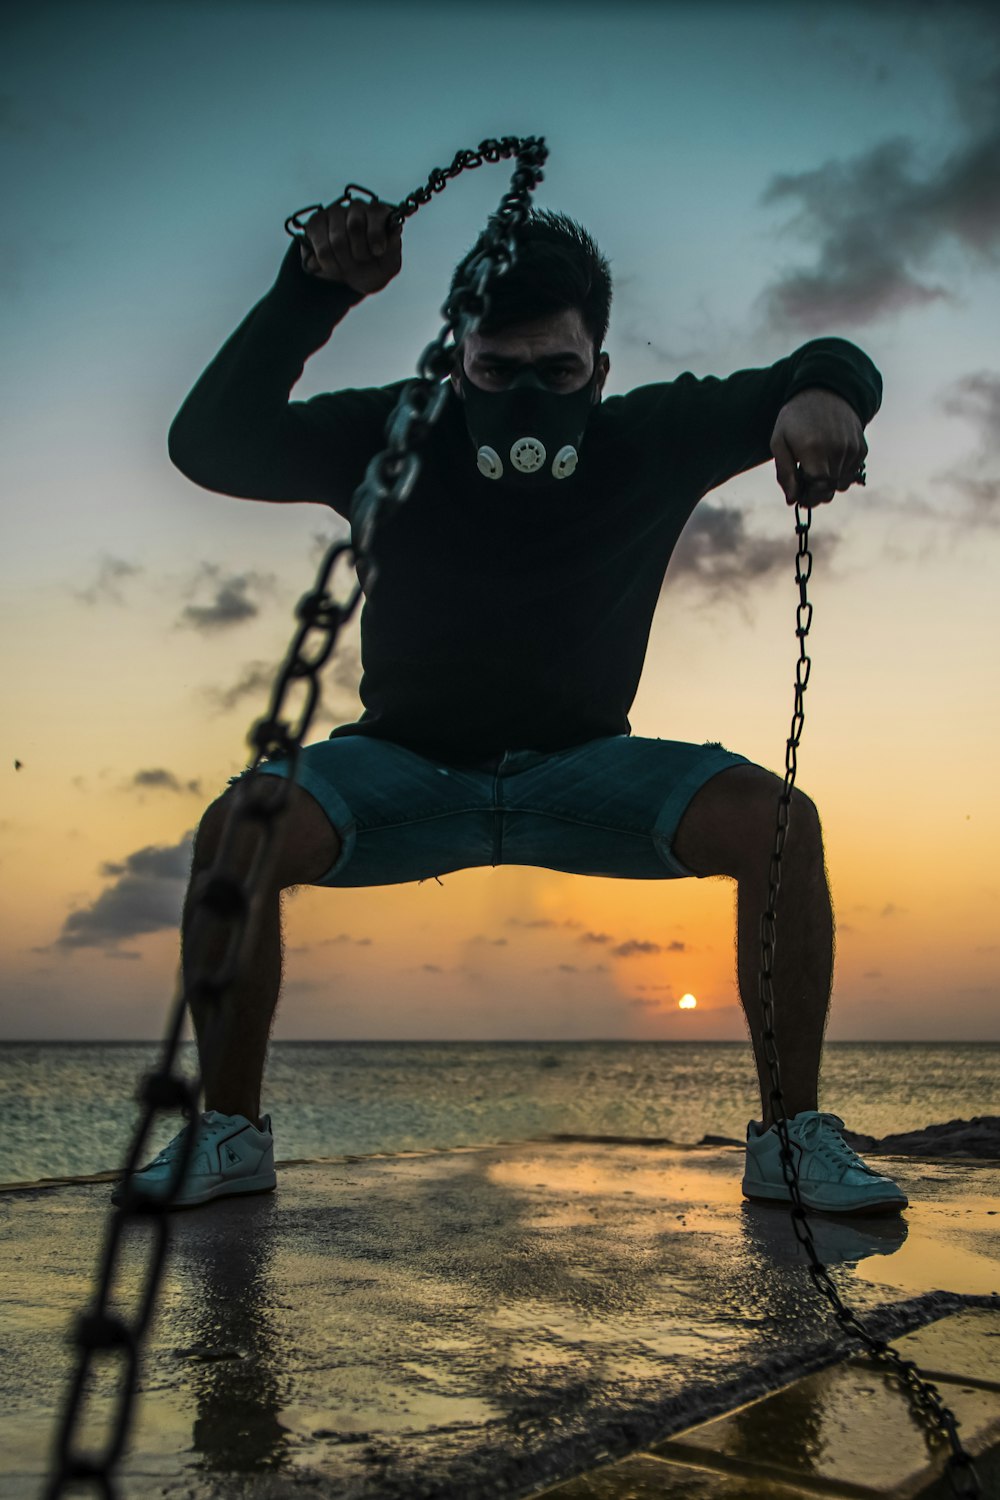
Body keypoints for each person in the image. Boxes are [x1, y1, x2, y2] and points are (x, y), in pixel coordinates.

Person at [113, 196, 907, 1216]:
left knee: (779, 822)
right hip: (401, 767)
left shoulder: (647, 433)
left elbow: (833, 358)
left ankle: (790, 1140)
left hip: (584, 769)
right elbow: (208, 443)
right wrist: (313, 291)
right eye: (496, 372)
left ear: (599, 370)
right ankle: (230, 1134)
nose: (528, 395)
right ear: (457, 363)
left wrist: (824, 396)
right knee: (239, 828)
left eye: (558, 372)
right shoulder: (392, 428)